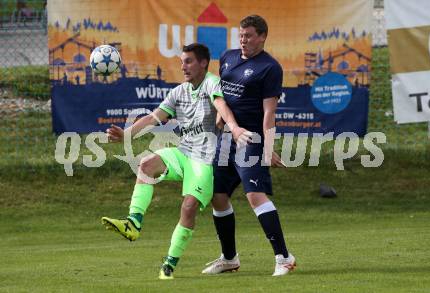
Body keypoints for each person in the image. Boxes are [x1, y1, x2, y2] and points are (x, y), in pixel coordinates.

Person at [101, 43, 251, 280]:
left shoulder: (212, 82)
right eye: (181, 62)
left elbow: (221, 104)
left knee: (188, 207)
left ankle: (169, 264)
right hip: (183, 153)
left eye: (189, 61)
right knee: (146, 164)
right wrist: (126, 135)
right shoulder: (179, 91)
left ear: (203, 63)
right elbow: (153, 117)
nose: (183, 66)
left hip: (205, 160)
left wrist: (233, 128)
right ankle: (133, 223)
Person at [202, 15, 296, 276]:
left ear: (263, 36)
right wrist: (219, 126)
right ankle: (229, 258)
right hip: (225, 141)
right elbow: (222, 98)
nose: (243, 40)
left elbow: (269, 113)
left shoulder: (270, 68)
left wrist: (267, 149)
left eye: (249, 36)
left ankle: (284, 257)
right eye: (241, 35)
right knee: (217, 196)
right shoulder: (228, 57)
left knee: (255, 196)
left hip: (251, 140)